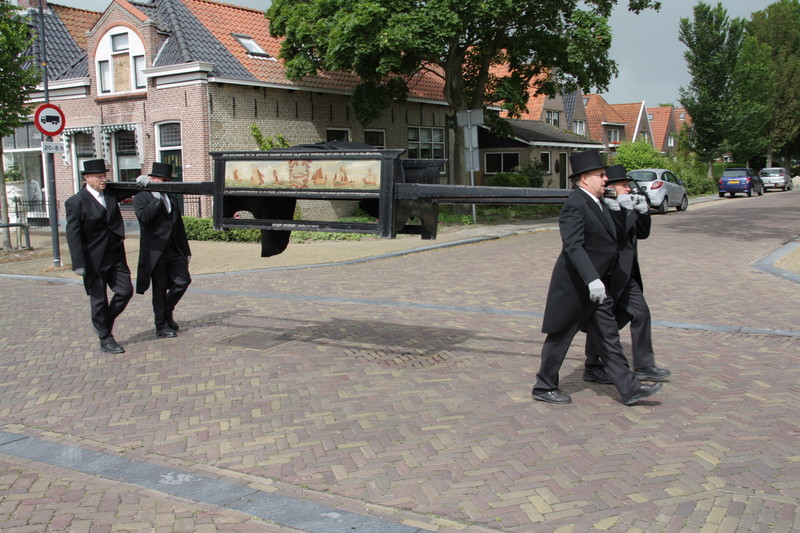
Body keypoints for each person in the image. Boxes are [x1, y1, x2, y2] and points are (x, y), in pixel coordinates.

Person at [531, 149, 663, 406]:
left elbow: (616, 239)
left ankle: (631, 390)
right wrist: (591, 278)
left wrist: (625, 211)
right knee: (561, 335)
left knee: (609, 337)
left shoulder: (598, 202)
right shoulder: (575, 204)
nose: (605, 179)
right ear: (584, 179)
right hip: (577, 286)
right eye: (600, 175)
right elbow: (573, 246)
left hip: (598, 288)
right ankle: (544, 386)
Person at [582, 164, 671, 385]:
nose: (629, 189)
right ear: (611, 188)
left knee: (641, 314)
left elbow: (642, 233)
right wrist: (624, 210)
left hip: (626, 274)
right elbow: (616, 236)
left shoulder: (625, 204)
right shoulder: (604, 208)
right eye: (623, 185)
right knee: (603, 322)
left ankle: (644, 366)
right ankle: (593, 365)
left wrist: (643, 212)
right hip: (608, 274)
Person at [65, 159, 135, 354]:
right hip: (93, 260)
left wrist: (141, 181)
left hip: (115, 256)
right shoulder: (76, 202)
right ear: (87, 178)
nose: (104, 180)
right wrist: (78, 263)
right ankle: (105, 339)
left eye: (105, 176)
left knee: (125, 291)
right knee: (99, 300)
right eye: (99, 177)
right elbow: (73, 235)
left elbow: (131, 190)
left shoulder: (110, 194)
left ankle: (104, 323)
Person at [134, 162, 192, 338]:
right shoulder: (142, 196)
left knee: (183, 281)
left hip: (173, 250)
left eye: (168, 180)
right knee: (159, 289)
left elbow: (178, 226)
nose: (167, 183)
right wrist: (157, 198)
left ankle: (166, 311)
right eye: (163, 180)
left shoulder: (171, 198)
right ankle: (161, 324)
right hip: (155, 252)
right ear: (153, 179)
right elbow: (145, 218)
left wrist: (186, 251)